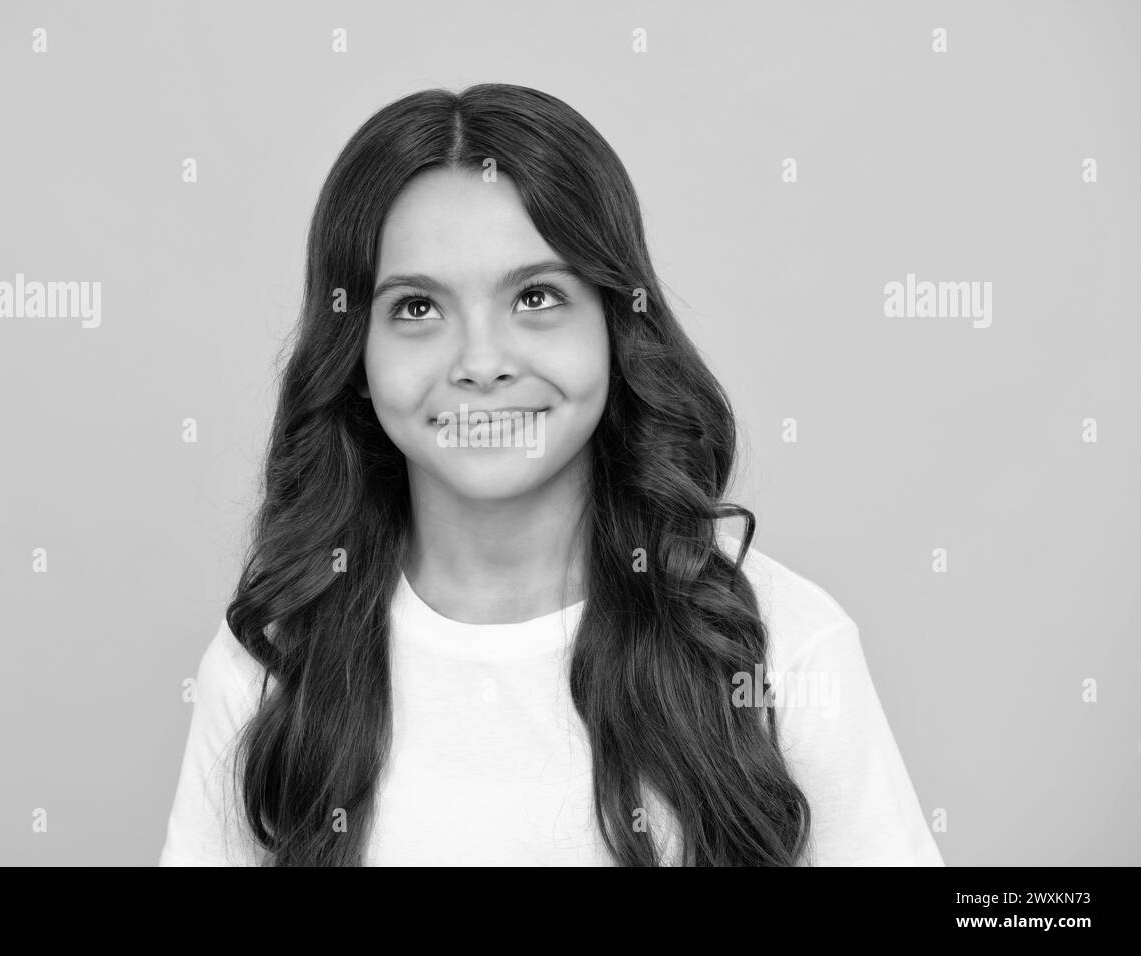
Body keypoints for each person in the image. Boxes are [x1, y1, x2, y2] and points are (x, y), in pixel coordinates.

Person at [159, 83, 944, 866]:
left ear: (616, 325)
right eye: (416, 308)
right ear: (354, 355)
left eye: (535, 296)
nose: (481, 364)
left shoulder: (781, 647)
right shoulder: (271, 660)